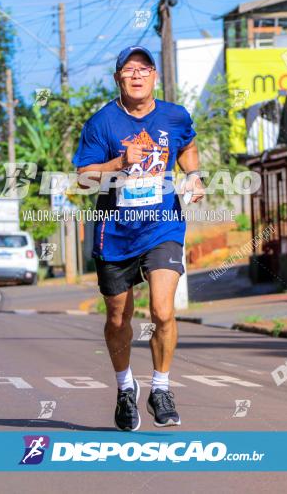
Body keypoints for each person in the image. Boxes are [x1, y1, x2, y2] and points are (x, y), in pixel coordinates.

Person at [72, 45, 204, 431]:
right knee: (118, 317)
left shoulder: (175, 116)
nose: (136, 75)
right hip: (114, 232)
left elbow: (189, 146)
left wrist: (194, 176)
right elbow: (83, 177)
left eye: (144, 68)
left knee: (162, 310)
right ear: (118, 78)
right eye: (128, 70)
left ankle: (160, 388)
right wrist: (119, 163)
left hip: (162, 225)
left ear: (154, 76)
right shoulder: (102, 123)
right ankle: (125, 387)